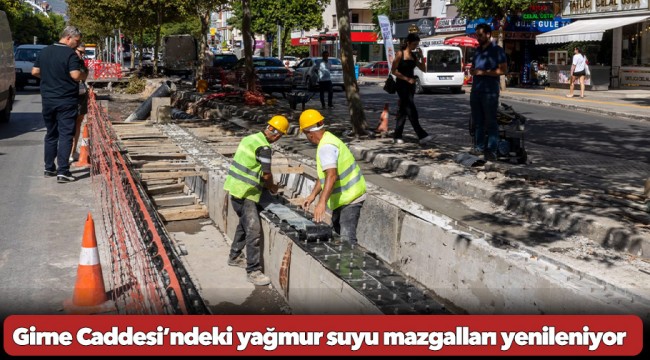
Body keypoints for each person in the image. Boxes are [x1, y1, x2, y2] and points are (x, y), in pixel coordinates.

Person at [223, 115, 289, 286]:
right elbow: (266, 174)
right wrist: (272, 187)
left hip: (235, 188)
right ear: (277, 135)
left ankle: (235, 256)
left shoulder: (250, 139)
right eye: (280, 135)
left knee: (244, 224)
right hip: (247, 193)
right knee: (253, 230)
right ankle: (253, 270)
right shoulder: (264, 148)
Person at [299, 109, 366, 245]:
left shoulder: (326, 147)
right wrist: (312, 196)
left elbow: (331, 175)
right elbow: (324, 175)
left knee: (347, 239)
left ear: (309, 133)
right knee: (335, 233)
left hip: (350, 198)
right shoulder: (329, 139)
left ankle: (349, 264)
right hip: (343, 198)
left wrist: (321, 203)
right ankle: (342, 262)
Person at [32, 26, 87, 183]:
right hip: (66, 100)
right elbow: (75, 75)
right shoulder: (70, 54)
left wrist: (50, 77)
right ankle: (63, 171)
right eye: (76, 41)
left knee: (51, 133)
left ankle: (49, 167)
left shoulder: (45, 51)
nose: (77, 44)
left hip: (48, 100)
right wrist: (85, 74)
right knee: (65, 135)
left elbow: (35, 72)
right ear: (68, 37)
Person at [469, 23, 507, 162]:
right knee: (477, 121)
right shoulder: (477, 51)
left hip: (490, 91)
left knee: (490, 121)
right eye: (476, 35)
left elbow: (503, 70)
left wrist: (483, 72)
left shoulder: (497, 50)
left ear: (488, 35)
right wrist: (473, 71)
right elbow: (475, 67)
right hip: (476, 89)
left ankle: (491, 150)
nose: (477, 38)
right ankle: (479, 148)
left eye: (480, 35)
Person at [390, 33, 434, 145]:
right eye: (414, 44)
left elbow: (423, 69)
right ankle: (421, 135)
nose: (415, 46)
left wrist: (421, 56)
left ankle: (397, 135)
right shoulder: (400, 54)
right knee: (411, 109)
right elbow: (393, 70)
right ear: (408, 43)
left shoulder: (414, 56)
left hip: (411, 86)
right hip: (402, 85)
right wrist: (406, 79)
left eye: (417, 44)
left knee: (403, 111)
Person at [71, 43, 89, 163]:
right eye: (80, 52)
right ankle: (68, 152)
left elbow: (83, 77)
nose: (82, 55)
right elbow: (77, 76)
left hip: (80, 95)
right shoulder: (69, 60)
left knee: (78, 122)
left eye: (84, 53)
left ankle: (72, 152)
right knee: (68, 125)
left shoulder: (81, 62)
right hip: (69, 96)